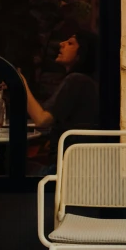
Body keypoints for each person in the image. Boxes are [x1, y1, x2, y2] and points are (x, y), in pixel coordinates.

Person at [21, 31, 99, 164]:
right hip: (78, 160)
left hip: (67, 165)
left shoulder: (76, 80)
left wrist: (20, 83)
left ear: (82, 54)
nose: (61, 44)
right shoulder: (84, 82)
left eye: (70, 43)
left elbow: (42, 120)